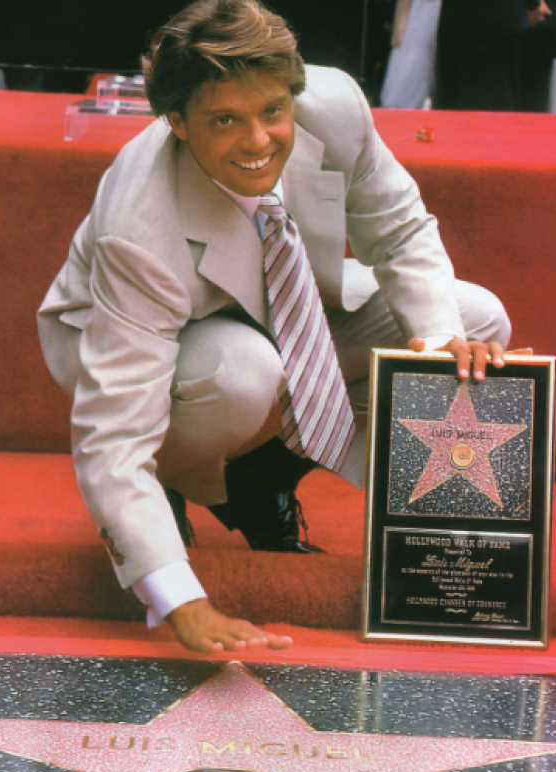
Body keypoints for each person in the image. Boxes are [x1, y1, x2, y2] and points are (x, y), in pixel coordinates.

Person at [38, 0, 515, 654]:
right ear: (177, 121)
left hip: (279, 296)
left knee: (475, 318)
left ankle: (257, 483)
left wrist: (435, 351)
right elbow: (112, 435)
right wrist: (178, 599)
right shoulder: (138, 228)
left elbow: (401, 230)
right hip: (148, 341)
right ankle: (176, 484)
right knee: (241, 371)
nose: (259, 140)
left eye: (272, 112)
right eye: (226, 120)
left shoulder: (336, 104)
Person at [435, 0, 551, 111]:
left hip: (456, 21)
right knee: (494, 107)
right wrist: (533, 4)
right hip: (497, 25)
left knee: (453, 107)